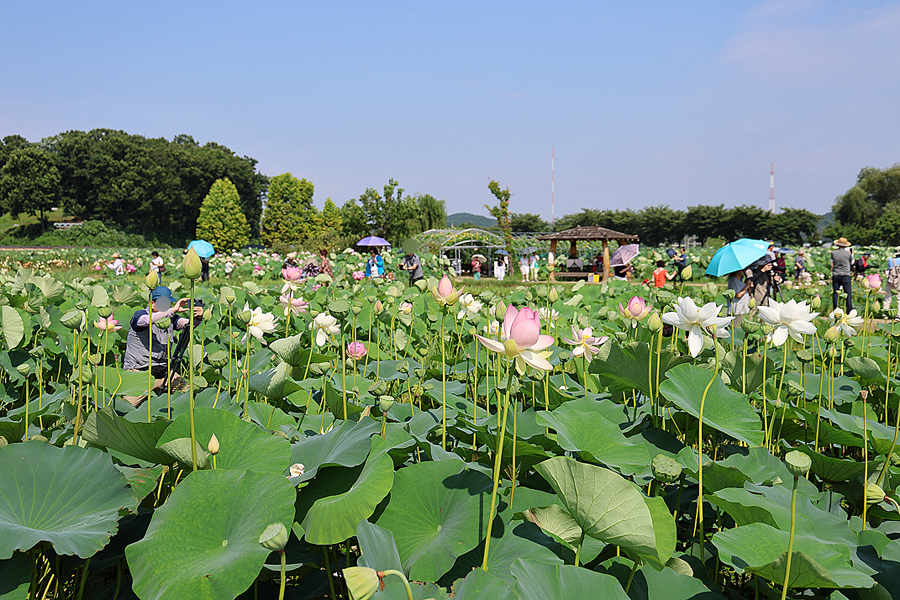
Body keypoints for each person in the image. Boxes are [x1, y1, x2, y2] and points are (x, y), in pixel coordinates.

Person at [122, 286, 203, 407]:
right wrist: (171, 311)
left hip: (164, 373)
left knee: (189, 394)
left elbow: (189, 325)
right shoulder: (139, 315)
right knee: (125, 408)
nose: (167, 306)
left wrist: (198, 317)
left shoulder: (171, 317)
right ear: (152, 303)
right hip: (139, 374)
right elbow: (146, 320)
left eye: (169, 303)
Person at [831, 237, 853, 312]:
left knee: (835, 293)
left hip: (836, 274)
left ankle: (836, 309)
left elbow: (832, 262)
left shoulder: (833, 253)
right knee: (848, 293)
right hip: (846, 275)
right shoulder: (848, 253)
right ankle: (849, 311)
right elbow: (852, 262)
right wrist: (852, 255)